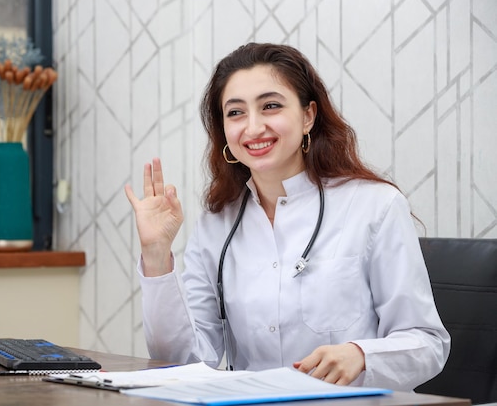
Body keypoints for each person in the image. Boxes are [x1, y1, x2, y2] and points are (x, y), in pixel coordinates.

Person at [124, 42, 450, 391]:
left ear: (308, 115)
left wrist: (362, 355)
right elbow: (182, 363)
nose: (252, 128)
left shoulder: (375, 206)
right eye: (235, 113)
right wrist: (157, 255)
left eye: (271, 106)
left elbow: (427, 342)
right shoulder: (218, 222)